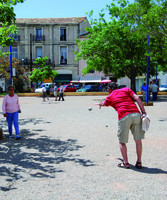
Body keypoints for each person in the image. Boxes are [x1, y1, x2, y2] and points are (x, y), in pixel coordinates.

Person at [98, 83, 147, 169]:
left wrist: (100, 104)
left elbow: (104, 104)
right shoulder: (126, 89)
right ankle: (139, 162)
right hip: (136, 114)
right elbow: (137, 98)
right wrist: (143, 111)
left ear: (109, 89)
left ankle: (126, 163)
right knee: (138, 140)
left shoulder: (110, 97)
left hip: (124, 116)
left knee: (122, 141)